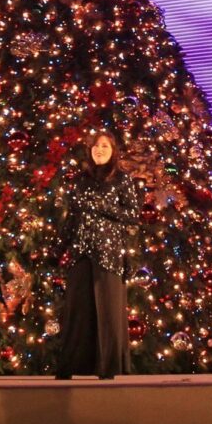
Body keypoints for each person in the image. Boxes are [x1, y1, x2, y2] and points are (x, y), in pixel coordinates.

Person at [55, 130, 142, 379]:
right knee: (78, 309)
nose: (100, 150)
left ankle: (109, 367)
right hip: (81, 251)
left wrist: (102, 206)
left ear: (113, 150)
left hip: (109, 252)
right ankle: (74, 365)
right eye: (95, 146)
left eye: (104, 146)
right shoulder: (80, 181)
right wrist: (57, 249)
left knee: (107, 310)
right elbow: (71, 218)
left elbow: (132, 214)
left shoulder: (121, 180)